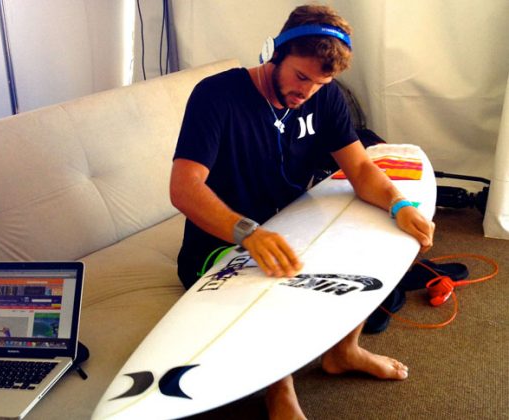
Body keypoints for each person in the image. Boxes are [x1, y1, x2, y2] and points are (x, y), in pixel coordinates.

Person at [170, 4, 435, 419]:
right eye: (301, 77)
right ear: (274, 52)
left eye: (320, 82)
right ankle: (280, 390)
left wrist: (399, 205)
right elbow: (184, 190)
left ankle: (344, 352)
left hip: (295, 225)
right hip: (219, 244)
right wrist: (248, 233)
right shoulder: (216, 95)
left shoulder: (326, 97)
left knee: (373, 238)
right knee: (273, 282)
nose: (306, 92)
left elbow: (361, 168)